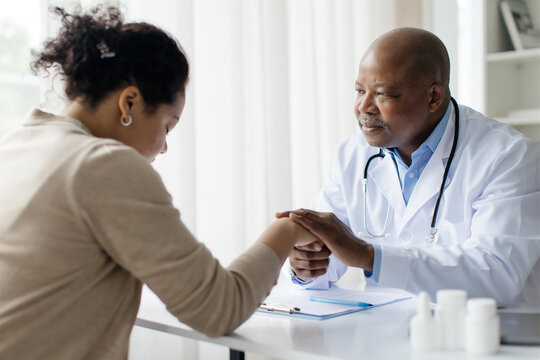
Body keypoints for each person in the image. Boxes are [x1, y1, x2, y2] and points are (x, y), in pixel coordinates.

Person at [0, 6, 318, 359]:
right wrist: (288, 230)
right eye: (168, 125)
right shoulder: (102, 164)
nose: (164, 147)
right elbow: (218, 308)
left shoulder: (19, 143)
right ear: (130, 102)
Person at [278, 27, 540, 307]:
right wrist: (306, 266)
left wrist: (369, 257)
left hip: (484, 338)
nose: (363, 107)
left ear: (433, 97)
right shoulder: (352, 156)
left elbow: (497, 276)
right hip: (384, 332)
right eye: (359, 90)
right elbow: (326, 260)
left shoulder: (509, 156)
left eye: (383, 94)